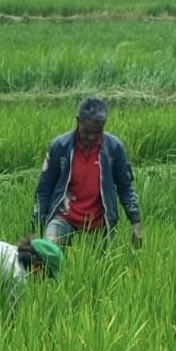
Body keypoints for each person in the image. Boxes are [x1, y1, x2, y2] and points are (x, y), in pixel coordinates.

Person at [33, 96, 143, 247]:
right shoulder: (60, 146)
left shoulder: (114, 148)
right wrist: (37, 224)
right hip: (64, 217)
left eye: (97, 133)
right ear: (78, 121)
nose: (91, 138)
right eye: (86, 132)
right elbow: (43, 189)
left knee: (99, 267)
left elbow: (125, 188)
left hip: (98, 222)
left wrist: (136, 223)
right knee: (49, 249)